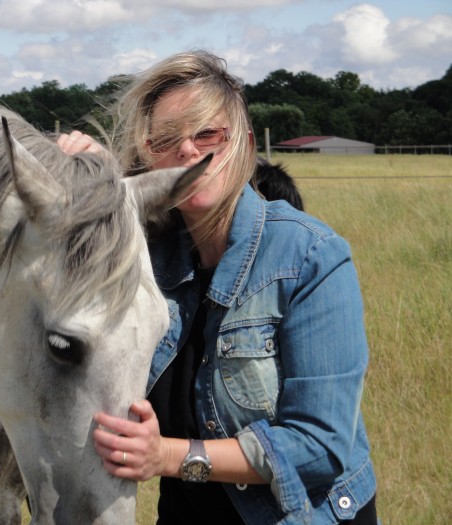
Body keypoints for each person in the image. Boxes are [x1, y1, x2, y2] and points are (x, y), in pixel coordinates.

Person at [57, 50, 377, 524]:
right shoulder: (145, 257)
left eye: (207, 133)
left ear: (244, 143)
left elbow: (320, 444)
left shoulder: (309, 255)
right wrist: (92, 176)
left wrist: (166, 457)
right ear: (149, 156)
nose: (187, 149)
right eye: (167, 139)